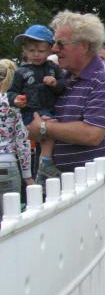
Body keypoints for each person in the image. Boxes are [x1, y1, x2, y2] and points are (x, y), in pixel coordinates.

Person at [26, 11, 105, 174]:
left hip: (92, 181)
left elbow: (92, 134)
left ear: (84, 46)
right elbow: (35, 128)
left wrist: (44, 127)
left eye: (61, 44)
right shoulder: (63, 77)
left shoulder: (104, 79)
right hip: (63, 180)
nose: (54, 49)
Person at [6, 24, 65, 183]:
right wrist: (16, 99)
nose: (36, 54)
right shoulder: (21, 72)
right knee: (49, 127)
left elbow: (63, 86)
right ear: (25, 50)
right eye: (32, 51)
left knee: (50, 130)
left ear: (50, 50)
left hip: (49, 109)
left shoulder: (53, 68)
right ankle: (45, 162)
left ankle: (43, 165)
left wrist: (55, 83)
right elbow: (11, 92)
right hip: (30, 112)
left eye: (41, 51)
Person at [0, 59, 33, 216]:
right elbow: (22, 141)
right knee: (11, 215)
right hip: (7, 163)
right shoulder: (15, 103)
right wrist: (28, 176)